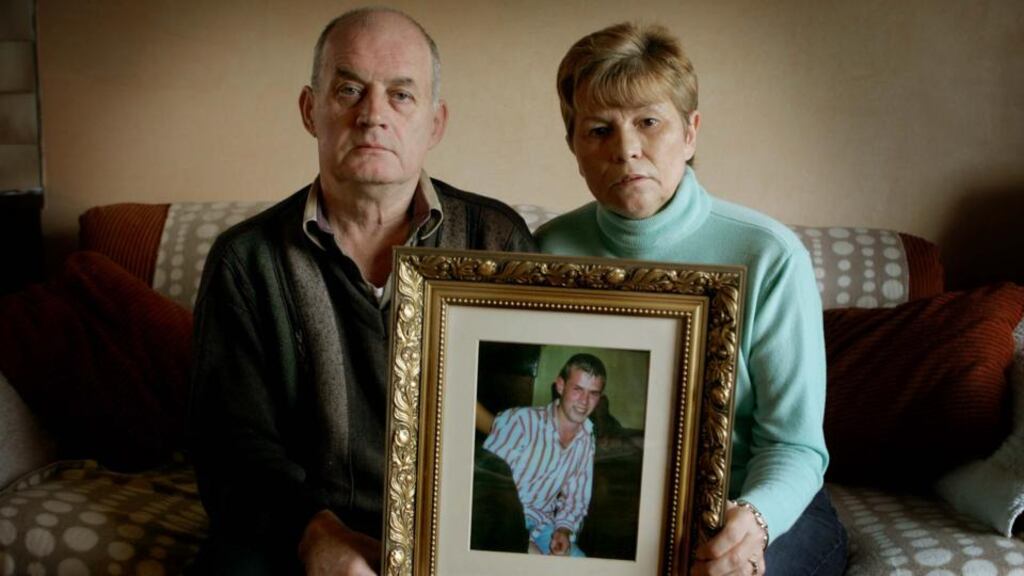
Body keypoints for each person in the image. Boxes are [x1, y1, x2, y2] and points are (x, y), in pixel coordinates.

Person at [186, 8, 535, 576]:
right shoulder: (246, 260)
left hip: (462, 528)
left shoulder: (495, 241)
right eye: (349, 89)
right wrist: (315, 534)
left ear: (435, 122)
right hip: (297, 524)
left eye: (401, 95)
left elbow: (525, 415)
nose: (373, 115)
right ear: (310, 109)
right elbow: (231, 443)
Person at [536, 23, 848, 576]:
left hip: (754, 506)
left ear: (690, 132)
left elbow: (796, 447)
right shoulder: (547, 250)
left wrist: (751, 522)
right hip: (618, 505)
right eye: (599, 130)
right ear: (574, 149)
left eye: (648, 123)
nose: (626, 149)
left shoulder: (768, 254)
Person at [481, 353, 606, 557]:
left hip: (542, 527)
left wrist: (563, 530)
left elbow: (576, 499)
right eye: (577, 389)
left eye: (593, 393)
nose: (584, 401)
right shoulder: (519, 422)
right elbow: (485, 493)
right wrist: (521, 544)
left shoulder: (586, 438)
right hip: (503, 524)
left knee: (581, 562)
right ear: (560, 386)